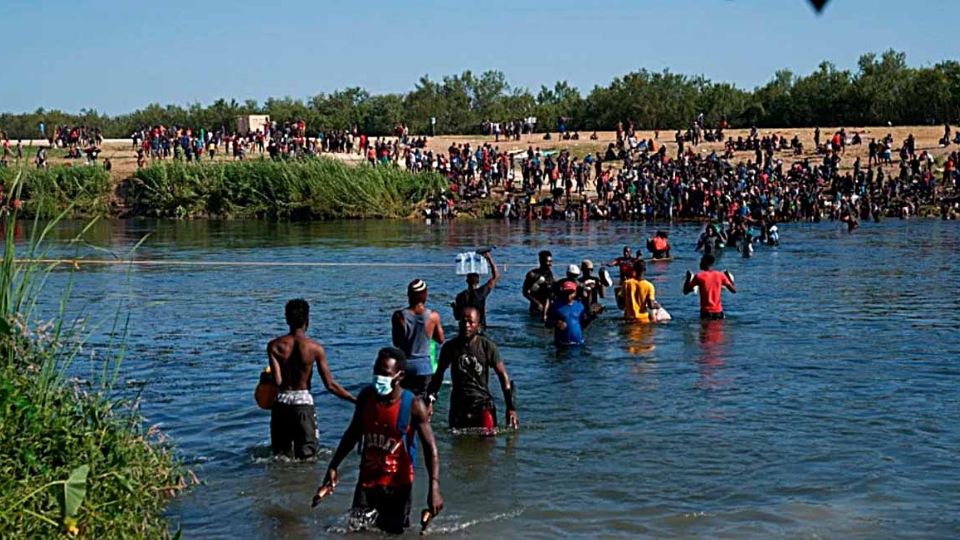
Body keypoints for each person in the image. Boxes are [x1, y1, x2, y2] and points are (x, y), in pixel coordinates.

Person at [315, 348, 443, 534]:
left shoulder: (413, 405)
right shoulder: (366, 397)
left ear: (399, 376)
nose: (378, 377)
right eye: (376, 371)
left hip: (398, 486)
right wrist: (333, 466)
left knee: (391, 534)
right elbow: (353, 433)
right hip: (367, 481)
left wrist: (434, 487)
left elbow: (430, 448)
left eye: (385, 373)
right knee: (356, 531)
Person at [266, 299, 355, 459]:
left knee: (280, 456)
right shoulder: (315, 349)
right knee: (307, 456)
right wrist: (353, 399)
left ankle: (280, 483)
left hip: (282, 402)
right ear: (307, 320)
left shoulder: (274, 346)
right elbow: (330, 385)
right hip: (303, 403)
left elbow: (278, 382)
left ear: (287, 319)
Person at [425, 307, 518, 432]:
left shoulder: (487, 347)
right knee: (457, 446)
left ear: (478, 325)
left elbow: (502, 376)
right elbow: (438, 375)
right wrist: (430, 400)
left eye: (470, 322)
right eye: (463, 322)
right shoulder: (450, 347)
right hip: (459, 405)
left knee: (487, 446)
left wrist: (510, 407)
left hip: (483, 405)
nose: (466, 325)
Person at [392, 280, 444, 395]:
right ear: (425, 295)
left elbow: (396, 342)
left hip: (405, 367)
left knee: (405, 404)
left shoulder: (399, 316)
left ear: (409, 295)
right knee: (423, 406)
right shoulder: (433, 316)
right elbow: (441, 339)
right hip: (424, 368)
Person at [452, 250, 499, 328]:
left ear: (466, 281)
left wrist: (454, 307)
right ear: (478, 281)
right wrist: (490, 258)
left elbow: (457, 317)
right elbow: (496, 276)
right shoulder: (482, 292)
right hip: (480, 326)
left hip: (465, 328)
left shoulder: (460, 296)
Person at [683, 254, 736, 320]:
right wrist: (729, 278)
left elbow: (685, 291)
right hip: (718, 312)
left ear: (705, 262)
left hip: (706, 312)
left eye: (701, 261)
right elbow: (734, 290)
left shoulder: (699, 276)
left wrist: (688, 278)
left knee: (705, 330)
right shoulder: (720, 275)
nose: (700, 263)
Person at [545, 280, 597, 346]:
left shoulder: (580, 305)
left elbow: (583, 325)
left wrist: (591, 317)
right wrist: (556, 323)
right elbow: (547, 323)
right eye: (566, 292)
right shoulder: (555, 306)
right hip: (562, 344)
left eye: (571, 293)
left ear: (575, 293)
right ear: (562, 292)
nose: (568, 295)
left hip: (578, 343)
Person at [522, 250, 554, 317]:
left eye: (551, 261)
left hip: (548, 308)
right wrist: (537, 303)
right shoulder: (532, 274)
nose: (551, 264)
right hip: (536, 309)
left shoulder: (550, 274)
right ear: (541, 262)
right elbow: (525, 292)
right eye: (548, 261)